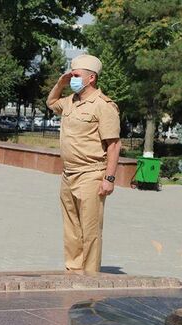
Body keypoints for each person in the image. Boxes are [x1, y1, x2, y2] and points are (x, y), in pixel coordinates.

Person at [46, 54, 121, 273]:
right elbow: (51, 102)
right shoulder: (70, 101)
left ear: (91, 78)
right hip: (68, 174)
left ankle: (89, 277)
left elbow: (114, 145)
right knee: (71, 228)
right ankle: (73, 270)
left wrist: (109, 178)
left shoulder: (103, 106)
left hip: (91, 174)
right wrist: (60, 83)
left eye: (76, 75)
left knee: (90, 230)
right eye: (71, 75)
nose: (72, 79)